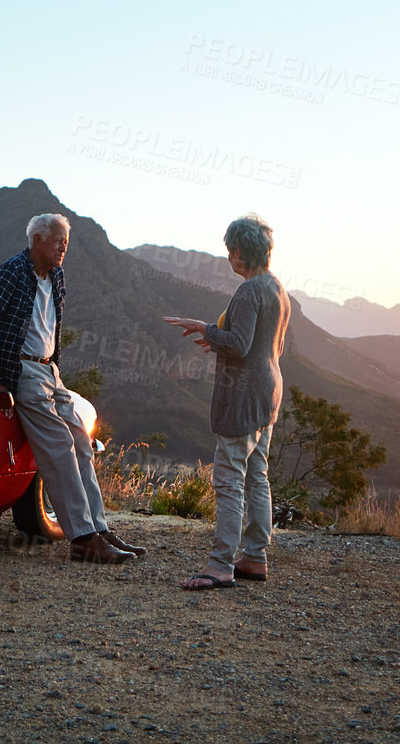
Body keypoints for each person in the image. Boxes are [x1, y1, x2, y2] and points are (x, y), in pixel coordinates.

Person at [0, 213, 143, 564]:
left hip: (50, 371)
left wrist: (56, 368)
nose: (65, 246)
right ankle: (82, 538)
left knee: (80, 437)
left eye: (67, 240)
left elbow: (52, 325)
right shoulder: (12, 272)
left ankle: (99, 528)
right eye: (59, 240)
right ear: (37, 241)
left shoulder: (57, 276)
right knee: (60, 447)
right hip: (23, 371)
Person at [164, 214, 290, 589]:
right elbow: (257, 341)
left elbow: (239, 344)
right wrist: (216, 336)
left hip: (244, 396)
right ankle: (254, 557)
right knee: (257, 476)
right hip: (269, 392)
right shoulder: (277, 288)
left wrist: (205, 328)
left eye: (230, 251)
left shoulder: (249, 291)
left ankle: (220, 565)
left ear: (238, 254)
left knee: (230, 480)